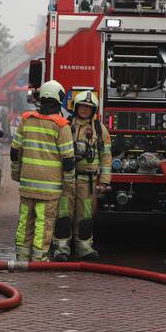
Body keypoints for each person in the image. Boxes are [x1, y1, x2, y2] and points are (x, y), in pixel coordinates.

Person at [11, 80, 75, 262]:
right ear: (58, 99)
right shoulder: (62, 126)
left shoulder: (26, 120)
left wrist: (16, 175)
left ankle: (22, 256)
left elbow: (15, 151)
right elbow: (68, 160)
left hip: (27, 185)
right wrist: (69, 183)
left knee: (25, 220)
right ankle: (39, 259)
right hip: (50, 189)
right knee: (44, 222)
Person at [53, 90, 111, 261]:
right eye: (82, 107)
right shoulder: (65, 126)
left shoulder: (100, 130)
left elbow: (106, 156)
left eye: (88, 107)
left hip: (89, 181)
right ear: (76, 107)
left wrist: (105, 181)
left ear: (93, 110)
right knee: (63, 214)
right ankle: (61, 248)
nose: (84, 110)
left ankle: (84, 248)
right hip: (67, 181)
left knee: (85, 216)